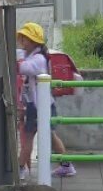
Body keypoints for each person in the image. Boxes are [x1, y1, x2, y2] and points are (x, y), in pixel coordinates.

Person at [16, 22, 76, 180]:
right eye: (21, 38)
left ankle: (20, 169)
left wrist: (17, 58)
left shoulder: (39, 59)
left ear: (33, 41)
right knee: (49, 135)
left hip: (38, 106)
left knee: (29, 137)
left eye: (25, 38)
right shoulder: (35, 56)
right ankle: (66, 165)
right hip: (39, 105)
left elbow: (23, 69)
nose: (21, 41)